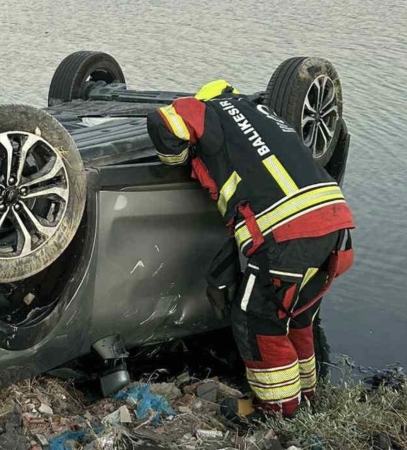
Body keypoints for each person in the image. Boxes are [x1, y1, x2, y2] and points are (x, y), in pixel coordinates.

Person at [145, 80, 355, 420]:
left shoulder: (205, 109)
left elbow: (162, 121)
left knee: (256, 321)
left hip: (287, 234)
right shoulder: (264, 113)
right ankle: (307, 401)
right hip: (336, 224)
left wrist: (178, 158)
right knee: (297, 319)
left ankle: (278, 412)